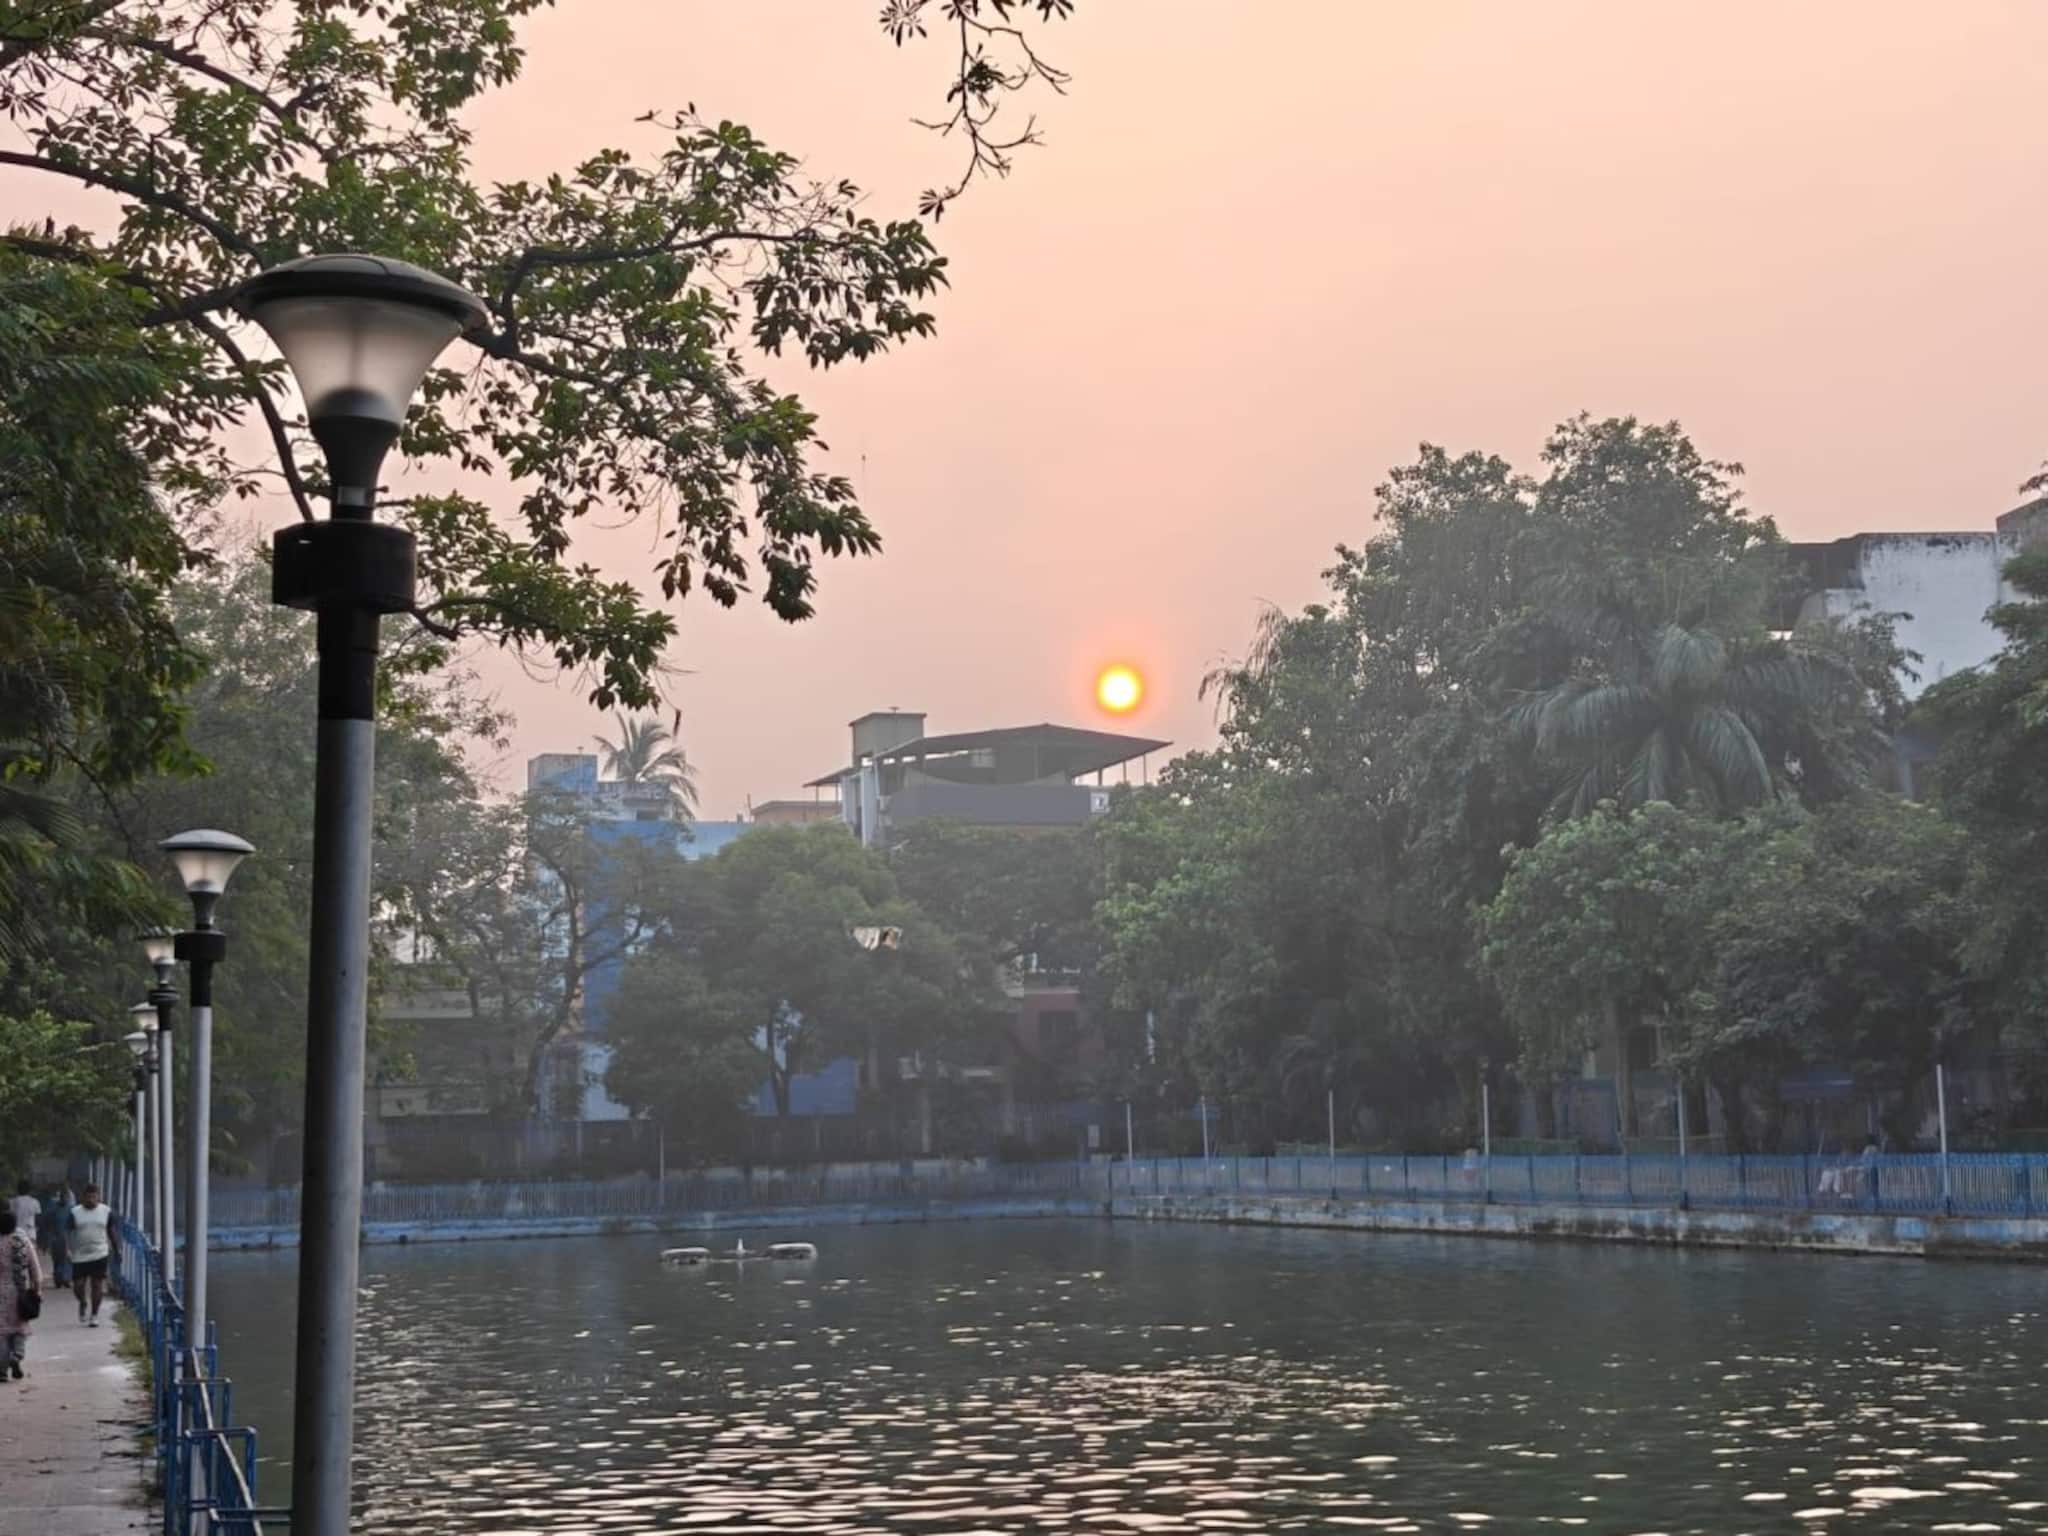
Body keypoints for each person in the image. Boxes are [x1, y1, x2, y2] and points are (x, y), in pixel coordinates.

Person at [67, 1184, 115, 1328]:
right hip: (80, 1254)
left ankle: (94, 1315)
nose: (91, 1200)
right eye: (88, 1197)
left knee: (97, 1285)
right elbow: (67, 1231)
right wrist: (67, 1248)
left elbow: (111, 1231)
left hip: (100, 1252)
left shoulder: (106, 1211)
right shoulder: (75, 1212)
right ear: (83, 1198)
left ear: (98, 1197)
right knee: (78, 1285)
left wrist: (118, 1249)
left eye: (94, 1197)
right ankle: (82, 1301)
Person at [0, 1207, 38, 1381]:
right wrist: (37, 1289)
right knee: (19, 1328)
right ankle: (17, 1357)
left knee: (2, 1332)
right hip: (19, 1291)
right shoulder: (22, 1241)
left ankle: (2, 1370)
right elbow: (35, 1268)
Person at [43, 1184, 73, 1290]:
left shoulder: (71, 1209)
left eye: (66, 1197)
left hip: (67, 1237)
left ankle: (66, 1279)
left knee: (67, 1259)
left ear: (68, 1198)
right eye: (63, 1197)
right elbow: (47, 1222)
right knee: (57, 1260)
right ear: (60, 1197)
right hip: (56, 1237)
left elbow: (74, 1224)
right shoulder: (53, 1208)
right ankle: (58, 1279)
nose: (64, 1199)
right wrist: (49, 1236)